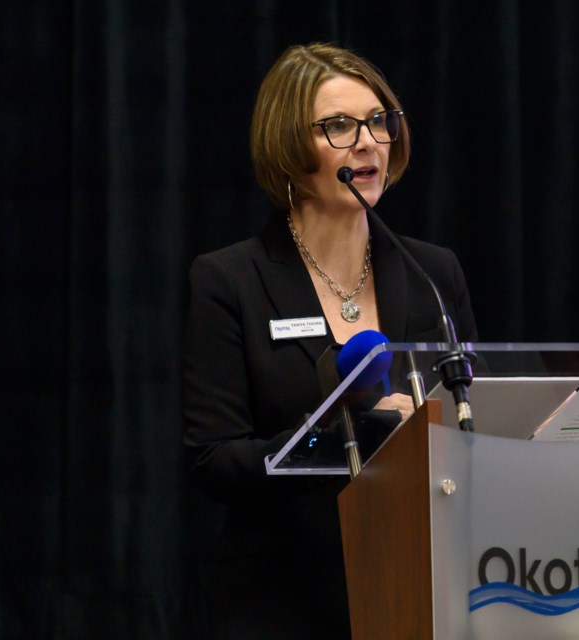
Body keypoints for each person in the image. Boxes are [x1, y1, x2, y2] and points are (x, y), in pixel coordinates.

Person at [181, 42, 478, 639]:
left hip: (422, 583)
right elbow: (214, 461)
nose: (367, 141)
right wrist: (351, 429)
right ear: (289, 145)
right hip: (286, 595)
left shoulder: (433, 274)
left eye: (378, 121)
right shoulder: (230, 280)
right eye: (339, 126)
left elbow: (474, 425)